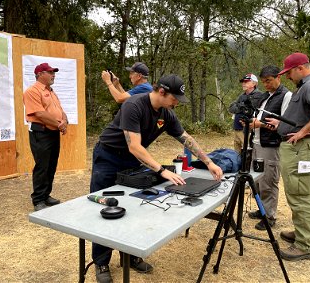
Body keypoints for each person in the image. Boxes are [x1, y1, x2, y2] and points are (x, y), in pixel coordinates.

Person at [90, 74, 223, 283]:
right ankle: (101, 261)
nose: (177, 103)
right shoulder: (133, 105)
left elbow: (185, 138)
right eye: (174, 98)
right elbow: (134, 145)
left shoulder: (166, 113)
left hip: (133, 161)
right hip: (108, 158)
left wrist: (209, 162)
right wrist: (161, 171)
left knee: (134, 208)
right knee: (105, 209)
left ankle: (131, 255)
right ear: (162, 92)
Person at [266, 53, 310, 261]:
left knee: (300, 195)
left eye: (288, 72)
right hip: (296, 148)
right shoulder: (305, 87)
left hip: (301, 148)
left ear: (299, 68)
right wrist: (284, 125)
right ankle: (301, 233)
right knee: (296, 193)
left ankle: (305, 245)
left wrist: (302, 131)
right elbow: (302, 117)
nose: (287, 77)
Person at [247, 65, 292, 230]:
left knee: (269, 181)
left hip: (271, 146)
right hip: (257, 143)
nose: (265, 84)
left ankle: (270, 216)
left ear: (278, 78)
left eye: (269, 81)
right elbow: (257, 115)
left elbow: (285, 124)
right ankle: (262, 210)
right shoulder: (265, 96)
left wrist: (261, 124)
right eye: (264, 81)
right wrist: (251, 122)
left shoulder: (286, 96)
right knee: (257, 180)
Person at [23, 63, 68, 211]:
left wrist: (65, 121)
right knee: (42, 166)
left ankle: (46, 195)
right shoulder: (32, 91)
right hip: (40, 132)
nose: (53, 74)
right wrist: (59, 124)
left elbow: (60, 110)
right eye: (50, 72)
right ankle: (38, 200)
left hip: (53, 132)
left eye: (53, 72)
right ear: (40, 74)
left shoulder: (51, 92)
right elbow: (39, 114)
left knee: (51, 165)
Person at [228, 73, 263, 153]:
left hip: (248, 130)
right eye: (243, 82)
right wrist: (241, 107)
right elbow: (231, 107)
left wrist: (240, 106)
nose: (243, 83)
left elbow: (250, 110)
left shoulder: (258, 95)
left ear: (254, 84)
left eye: (246, 81)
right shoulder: (242, 96)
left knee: (247, 152)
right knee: (237, 152)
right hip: (237, 128)